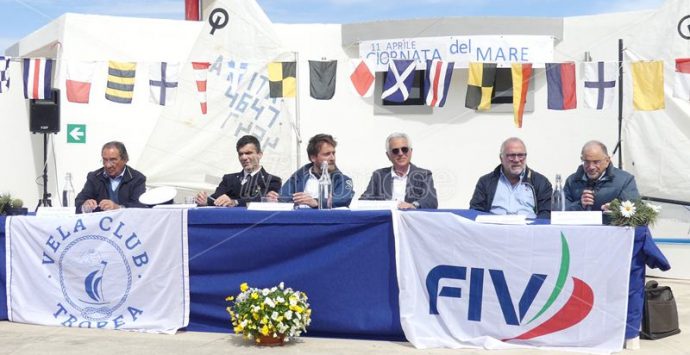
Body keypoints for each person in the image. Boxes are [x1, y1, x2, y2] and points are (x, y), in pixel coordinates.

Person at [470, 137, 552, 219]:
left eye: (521, 155)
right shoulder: (485, 182)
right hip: (495, 229)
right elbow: (475, 212)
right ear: (501, 158)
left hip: (527, 230)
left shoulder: (541, 182)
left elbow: (546, 214)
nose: (516, 160)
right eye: (511, 155)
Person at [269, 133, 354, 208]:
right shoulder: (299, 176)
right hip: (299, 222)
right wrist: (276, 199)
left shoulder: (343, 180)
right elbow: (284, 196)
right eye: (327, 154)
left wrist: (316, 202)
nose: (332, 158)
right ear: (313, 158)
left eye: (333, 153)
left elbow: (343, 199)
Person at [195, 135, 282, 207]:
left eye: (248, 153)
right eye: (241, 154)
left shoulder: (272, 180)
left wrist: (234, 202)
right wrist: (204, 200)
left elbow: (261, 200)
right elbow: (215, 198)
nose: (244, 157)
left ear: (259, 155)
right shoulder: (228, 179)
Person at [359, 133, 437, 209]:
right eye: (395, 151)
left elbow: (431, 200)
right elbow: (365, 200)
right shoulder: (379, 175)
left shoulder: (424, 175)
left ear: (411, 152)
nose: (400, 153)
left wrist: (413, 205)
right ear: (388, 155)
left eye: (404, 149)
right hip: (386, 220)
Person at [564, 140, 639, 213]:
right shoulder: (572, 181)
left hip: (611, 225)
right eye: (586, 161)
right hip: (579, 225)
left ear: (607, 161)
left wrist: (615, 209)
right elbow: (560, 211)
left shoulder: (625, 180)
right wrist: (580, 205)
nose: (591, 167)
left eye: (596, 162)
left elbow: (636, 210)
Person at [75, 141, 147, 213]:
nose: (108, 165)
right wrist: (85, 206)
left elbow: (140, 206)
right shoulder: (94, 177)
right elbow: (79, 201)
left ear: (125, 159)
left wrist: (118, 208)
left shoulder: (137, 179)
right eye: (105, 160)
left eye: (113, 160)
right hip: (100, 223)